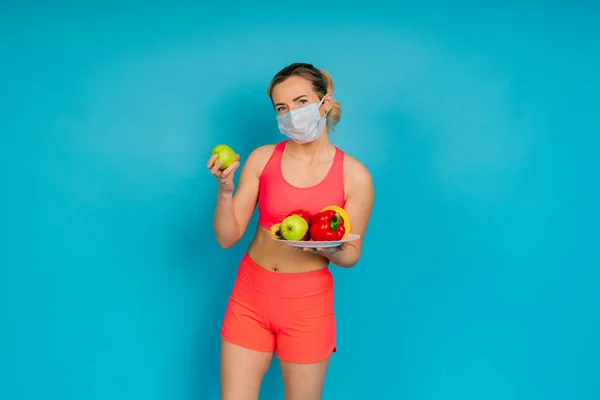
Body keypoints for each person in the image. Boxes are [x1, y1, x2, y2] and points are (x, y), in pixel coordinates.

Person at [207, 62, 375, 400]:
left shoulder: (355, 176)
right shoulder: (262, 159)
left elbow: (351, 256)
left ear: (324, 103)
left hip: (307, 306)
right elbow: (227, 237)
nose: (291, 114)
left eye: (301, 102)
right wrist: (225, 190)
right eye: (281, 108)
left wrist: (326, 247)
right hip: (249, 296)